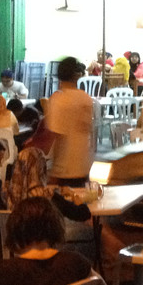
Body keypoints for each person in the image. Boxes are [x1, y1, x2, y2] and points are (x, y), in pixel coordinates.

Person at [46, 56, 96, 188]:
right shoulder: (86, 98)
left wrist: (52, 169)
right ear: (76, 75)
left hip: (64, 168)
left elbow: (55, 135)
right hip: (84, 163)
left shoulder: (58, 99)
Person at [7, 147, 93, 223]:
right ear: (40, 169)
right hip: (44, 240)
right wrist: (77, 199)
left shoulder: (8, 193)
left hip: (17, 240)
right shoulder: (46, 196)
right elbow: (83, 214)